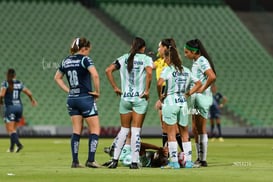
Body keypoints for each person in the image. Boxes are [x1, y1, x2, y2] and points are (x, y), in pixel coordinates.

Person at [105, 37, 153, 169]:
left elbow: (108, 70)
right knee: (136, 131)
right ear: (142, 48)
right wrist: (147, 90)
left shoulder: (123, 58)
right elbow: (149, 72)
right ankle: (134, 162)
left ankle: (114, 160)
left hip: (125, 98)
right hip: (139, 99)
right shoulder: (146, 59)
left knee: (124, 130)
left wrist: (115, 88)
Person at [54, 37, 101, 168]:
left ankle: (75, 161)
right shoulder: (85, 59)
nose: (88, 53)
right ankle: (91, 160)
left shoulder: (66, 60)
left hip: (72, 99)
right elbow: (95, 75)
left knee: (76, 131)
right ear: (84, 48)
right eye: (88, 50)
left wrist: (68, 90)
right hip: (85, 98)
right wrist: (97, 91)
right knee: (95, 129)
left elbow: (57, 78)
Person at [157, 47, 202, 169]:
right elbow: (199, 83)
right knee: (185, 134)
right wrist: (188, 93)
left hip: (170, 102)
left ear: (168, 57)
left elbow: (159, 83)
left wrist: (160, 96)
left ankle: (174, 163)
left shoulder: (167, 70)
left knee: (171, 134)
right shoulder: (186, 70)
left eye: (165, 57)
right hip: (182, 103)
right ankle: (188, 162)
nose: (164, 60)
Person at [184, 39, 217, 167]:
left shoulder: (202, 60)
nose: (185, 54)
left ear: (193, 52)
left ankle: (202, 159)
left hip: (201, 98)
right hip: (195, 98)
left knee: (201, 128)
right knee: (195, 128)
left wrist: (202, 88)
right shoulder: (196, 61)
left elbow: (212, 76)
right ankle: (198, 158)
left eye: (187, 52)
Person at [154, 38, 183, 151]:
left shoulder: (169, 63)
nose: (158, 49)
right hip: (166, 92)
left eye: (159, 46)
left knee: (172, 128)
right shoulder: (161, 61)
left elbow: (164, 82)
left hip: (168, 92)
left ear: (165, 48)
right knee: (165, 126)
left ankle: (180, 155)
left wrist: (162, 97)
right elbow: (151, 66)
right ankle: (169, 154)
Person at [0, 68, 37, 153]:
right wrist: (32, 100)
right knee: (13, 129)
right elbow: (29, 93)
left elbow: (1, 95)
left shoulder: (5, 83)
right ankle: (12, 148)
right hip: (19, 108)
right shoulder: (19, 83)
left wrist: (1, 103)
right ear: (15, 75)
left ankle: (18, 144)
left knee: (10, 129)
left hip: (10, 107)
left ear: (7, 75)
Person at [103, 141, 169, 168]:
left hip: (125, 155)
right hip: (125, 158)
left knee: (129, 132)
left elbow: (140, 145)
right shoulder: (148, 162)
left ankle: (112, 152)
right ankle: (112, 155)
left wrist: (159, 148)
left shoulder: (145, 160)